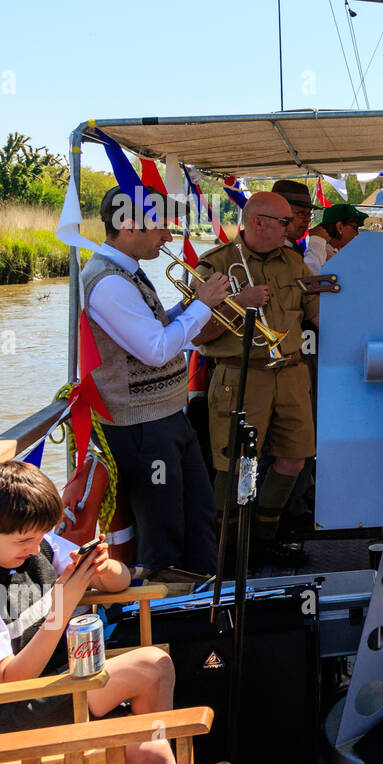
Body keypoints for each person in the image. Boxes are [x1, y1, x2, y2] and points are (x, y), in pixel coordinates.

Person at [0, 462, 231, 764]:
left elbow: (120, 583)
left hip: (49, 684)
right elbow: (9, 682)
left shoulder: (33, 545)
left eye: (39, 537)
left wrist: (102, 567)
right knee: (149, 667)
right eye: (24, 542)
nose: (35, 549)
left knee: (149, 702)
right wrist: (60, 611)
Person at [82, 185, 230, 579]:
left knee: (196, 511)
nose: (168, 237)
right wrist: (202, 306)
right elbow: (156, 348)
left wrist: (188, 304)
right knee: (163, 526)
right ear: (130, 225)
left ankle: (202, 591)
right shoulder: (108, 280)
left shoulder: (126, 272)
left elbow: (152, 328)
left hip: (163, 418)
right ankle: (165, 616)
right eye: (162, 227)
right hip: (141, 427)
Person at [194, 192, 321, 562]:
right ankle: (228, 549)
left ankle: (263, 539)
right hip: (240, 376)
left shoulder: (295, 263)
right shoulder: (215, 265)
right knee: (232, 466)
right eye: (285, 222)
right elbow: (197, 334)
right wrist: (240, 305)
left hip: (291, 374)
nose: (293, 227)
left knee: (294, 458)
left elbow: (318, 313)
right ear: (259, 221)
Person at [305, 202, 367, 274]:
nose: (357, 234)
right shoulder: (321, 256)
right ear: (340, 227)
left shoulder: (332, 252)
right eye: (355, 228)